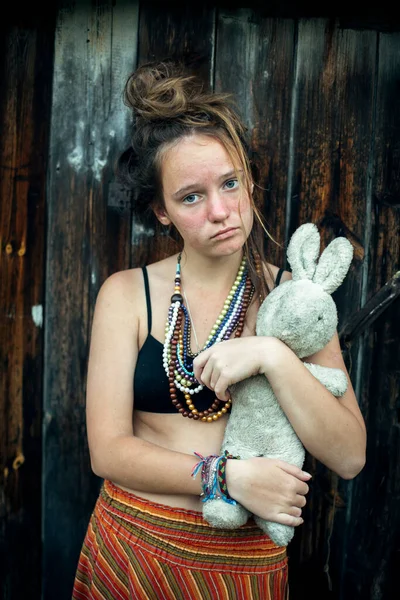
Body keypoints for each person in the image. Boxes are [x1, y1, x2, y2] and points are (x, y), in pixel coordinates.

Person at [72, 60, 366, 600]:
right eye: (191, 197)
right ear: (161, 211)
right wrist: (223, 476)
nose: (221, 211)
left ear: (249, 180)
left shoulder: (296, 300)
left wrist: (273, 357)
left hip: (244, 569)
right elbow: (108, 451)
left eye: (230, 183)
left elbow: (349, 454)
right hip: (136, 548)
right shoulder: (125, 294)